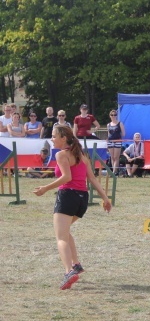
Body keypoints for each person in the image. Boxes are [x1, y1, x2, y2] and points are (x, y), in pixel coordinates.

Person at [33, 124, 111, 290]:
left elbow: (67, 177)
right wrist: (105, 198)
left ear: (63, 138)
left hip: (68, 196)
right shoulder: (82, 155)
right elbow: (93, 179)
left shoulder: (62, 155)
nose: (52, 139)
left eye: (54, 136)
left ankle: (69, 272)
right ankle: (76, 265)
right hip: (82, 200)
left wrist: (45, 188)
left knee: (60, 237)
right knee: (65, 232)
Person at [106, 109, 126, 175]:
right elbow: (108, 134)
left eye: (115, 115)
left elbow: (123, 134)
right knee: (112, 157)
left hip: (117, 140)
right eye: (112, 115)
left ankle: (114, 171)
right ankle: (113, 171)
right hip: (110, 141)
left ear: (116, 116)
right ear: (110, 116)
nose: (113, 116)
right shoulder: (108, 124)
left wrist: (118, 136)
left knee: (116, 157)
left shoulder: (120, 123)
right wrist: (107, 142)